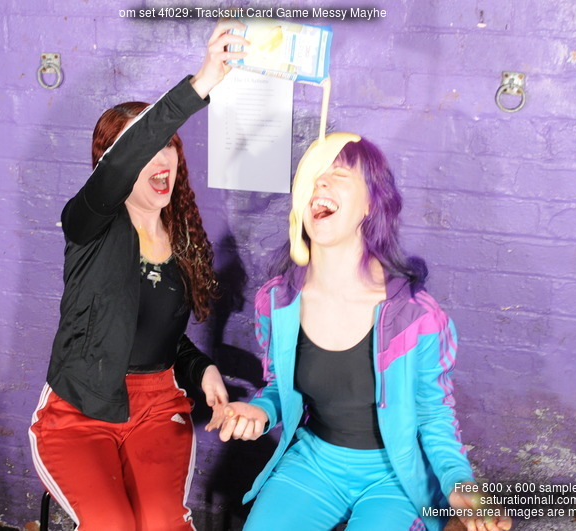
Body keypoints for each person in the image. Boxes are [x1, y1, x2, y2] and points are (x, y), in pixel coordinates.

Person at [212, 137, 512, 531]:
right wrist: (261, 412)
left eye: (338, 174)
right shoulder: (277, 302)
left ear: (370, 203)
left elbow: (434, 415)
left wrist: (461, 486)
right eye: (312, 176)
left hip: (396, 478)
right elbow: (280, 388)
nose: (320, 183)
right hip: (316, 464)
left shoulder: (416, 316)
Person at [29, 20, 247, 530]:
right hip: (80, 410)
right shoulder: (88, 224)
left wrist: (202, 370)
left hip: (156, 407)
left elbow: (155, 335)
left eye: (168, 145)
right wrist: (202, 81)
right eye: (145, 149)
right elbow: (120, 162)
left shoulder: (183, 238)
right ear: (117, 167)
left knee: (162, 524)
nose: (161, 157)